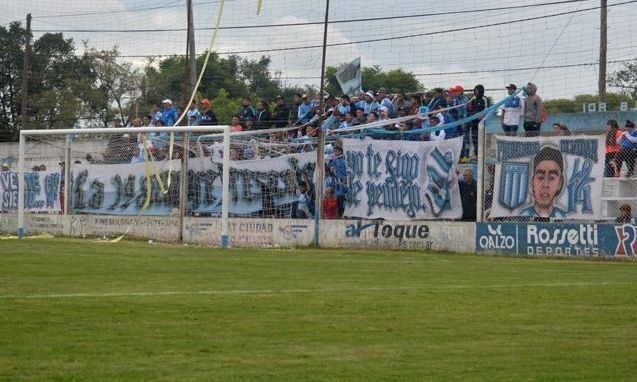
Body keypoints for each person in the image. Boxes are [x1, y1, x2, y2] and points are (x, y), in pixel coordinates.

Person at [520, 146, 567, 219]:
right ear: (532, 182)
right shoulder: (520, 216)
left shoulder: (565, 217)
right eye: (540, 177)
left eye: (551, 178)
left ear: (560, 183)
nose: (545, 184)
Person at [463, 84, 488, 161]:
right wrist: (468, 106)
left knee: (480, 137)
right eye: (475, 90)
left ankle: (481, 154)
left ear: (481, 90)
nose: (476, 91)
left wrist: (482, 117)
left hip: (480, 122)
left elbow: (486, 109)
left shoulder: (484, 99)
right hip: (473, 122)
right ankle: (476, 153)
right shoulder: (474, 98)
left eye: (477, 90)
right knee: (474, 138)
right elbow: (467, 105)